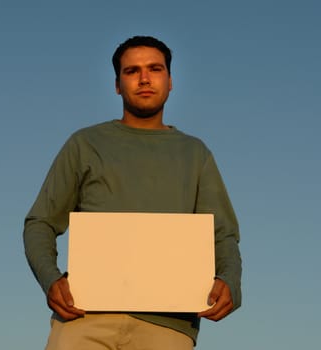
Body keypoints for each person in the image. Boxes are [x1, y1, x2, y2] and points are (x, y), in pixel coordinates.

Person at [23, 35, 242, 350]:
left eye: (155, 68)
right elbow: (40, 221)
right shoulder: (85, 144)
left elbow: (222, 234)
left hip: (169, 324)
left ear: (170, 81)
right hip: (85, 317)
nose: (144, 78)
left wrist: (230, 282)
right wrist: (51, 278)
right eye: (131, 71)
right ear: (116, 84)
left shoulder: (196, 153)